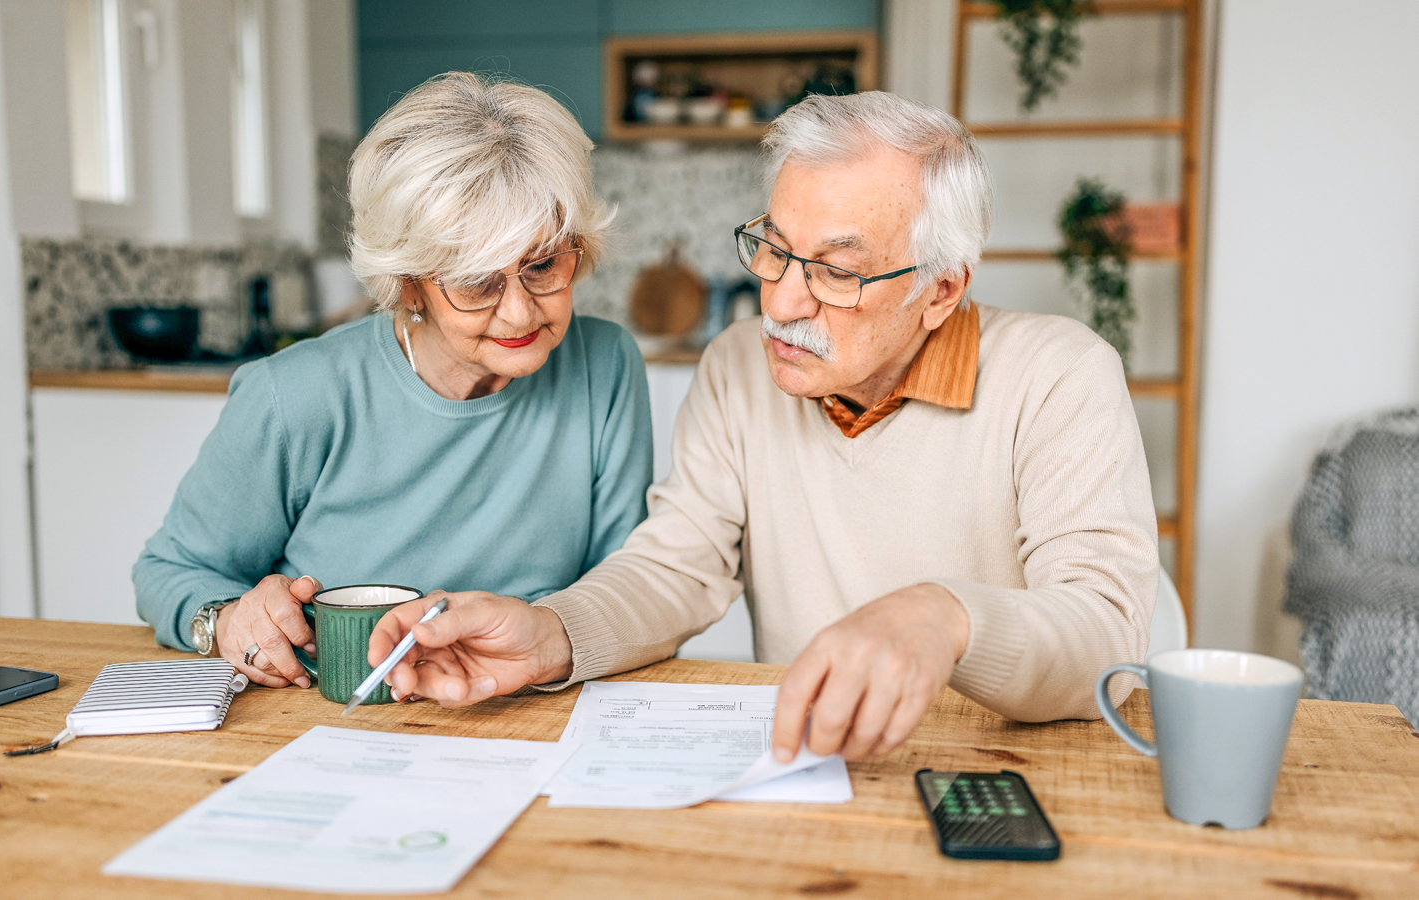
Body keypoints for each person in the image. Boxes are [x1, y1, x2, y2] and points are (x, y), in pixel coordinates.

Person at [368, 91, 1159, 763]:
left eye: (838, 273)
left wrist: (943, 616)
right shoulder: (738, 369)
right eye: (775, 249)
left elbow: (1106, 637)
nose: (779, 303)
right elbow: (675, 570)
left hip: (1009, 766)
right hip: (810, 761)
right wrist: (549, 632)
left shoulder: (1060, 376)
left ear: (941, 290)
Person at [133, 73, 652, 689]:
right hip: (328, 723)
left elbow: (626, 591)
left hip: (527, 714)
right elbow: (171, 570)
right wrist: (224, 621)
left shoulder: (606, 366)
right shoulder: (295, 395)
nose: (520, 311)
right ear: (409, 281)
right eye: (477, 280)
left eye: (543, 266)